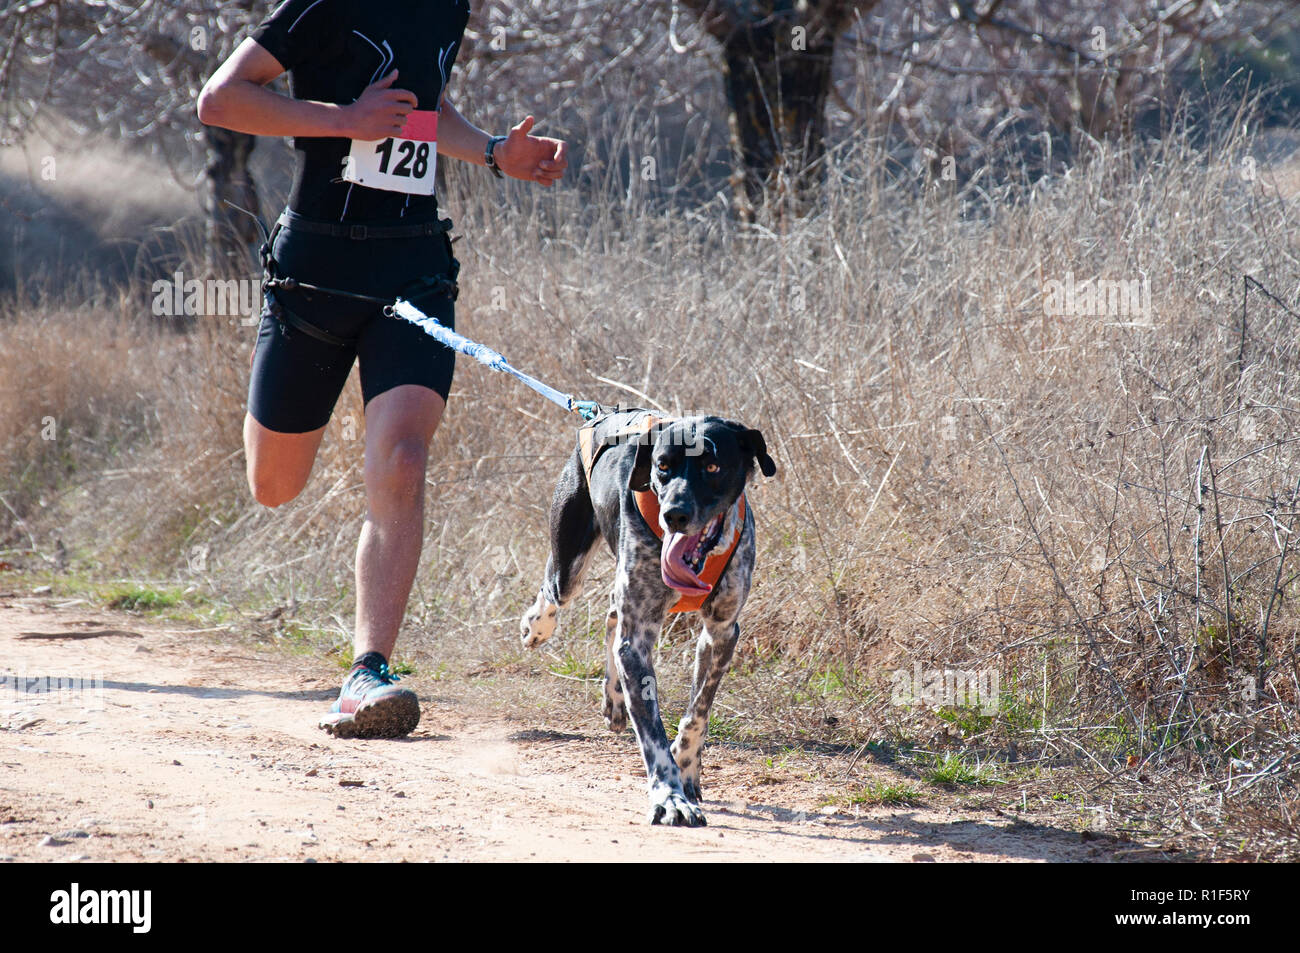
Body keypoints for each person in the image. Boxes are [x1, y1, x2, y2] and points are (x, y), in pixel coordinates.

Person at [197, 0, 567, 738]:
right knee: (274, 485)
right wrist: (343, 120)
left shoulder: (448, 8)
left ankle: (369, 671)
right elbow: (222, 98)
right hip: (316, 270)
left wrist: (493, 151)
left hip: (414, 267)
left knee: (402, 455)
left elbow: (419, 115)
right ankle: (276, 375)